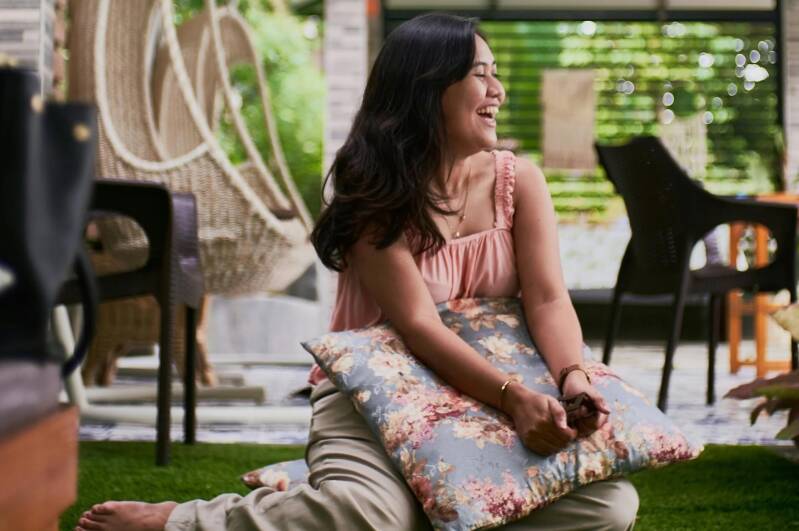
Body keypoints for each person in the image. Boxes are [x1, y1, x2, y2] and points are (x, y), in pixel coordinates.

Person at [75, 13, 639, 531]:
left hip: (487, 399)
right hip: (375, 398)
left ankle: (407, 501)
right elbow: (419, 325)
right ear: (427, 88)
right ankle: (184, 521)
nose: (498, 91)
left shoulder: (520, 183)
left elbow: (547, 299)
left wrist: (573, 378)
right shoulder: (373, 189)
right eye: (480, 75)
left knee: (609, 509)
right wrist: (514, 398)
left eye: (496, 75)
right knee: (373, 517)